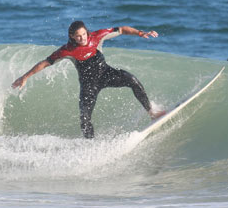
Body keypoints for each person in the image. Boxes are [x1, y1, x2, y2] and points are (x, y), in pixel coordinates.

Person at [12, 21, 164, 139]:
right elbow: (46, 62)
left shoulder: (97, 37)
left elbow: (122, 29)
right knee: (85, 118)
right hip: (88, 85)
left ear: (87, 32)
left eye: (84, 34)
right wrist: (25, 77)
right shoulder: (67, 51)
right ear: (72, 36)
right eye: (78, 36)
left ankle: (151, 112)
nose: (82, 38)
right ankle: (90, 146)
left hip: (106, 73)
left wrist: (140, 33)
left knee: (132, 80)